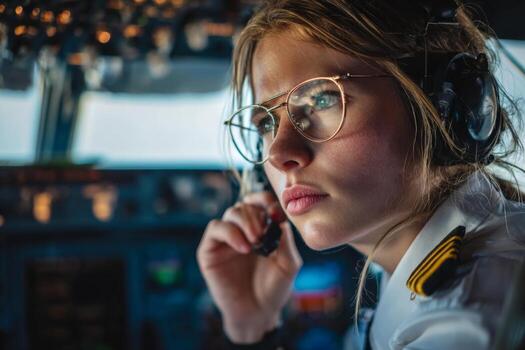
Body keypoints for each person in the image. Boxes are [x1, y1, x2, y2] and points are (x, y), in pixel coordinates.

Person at [196, 0, 525, 349]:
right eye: (267, 123)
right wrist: (253, 326)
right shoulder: (426, 267)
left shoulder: (464, 321)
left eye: (322, 100)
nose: (278, 155)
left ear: (444, 106)